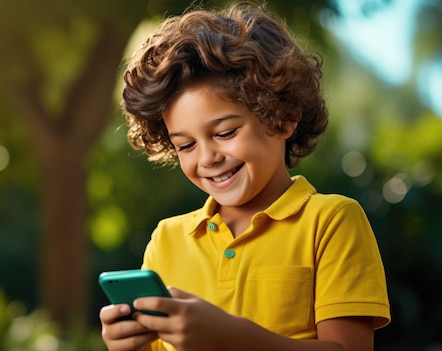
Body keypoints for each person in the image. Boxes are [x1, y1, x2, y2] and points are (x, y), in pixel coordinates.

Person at [99, 1, 391, 351]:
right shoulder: (167, 240)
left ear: (282, 118)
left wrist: (230, 338)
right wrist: (127, 344)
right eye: (186, 145)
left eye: (225, 133)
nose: (207, 158)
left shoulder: (331, 222)